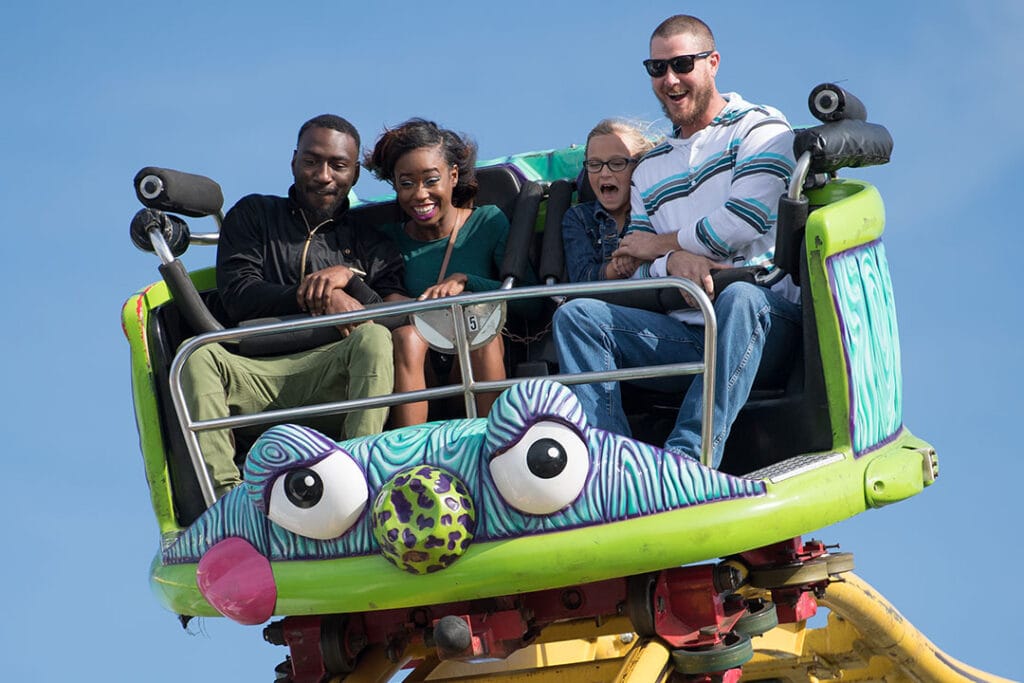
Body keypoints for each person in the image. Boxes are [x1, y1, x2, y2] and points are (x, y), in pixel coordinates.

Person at [553, 15, 802, 468]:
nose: (670, 79)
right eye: (657, 68)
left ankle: (687, 462)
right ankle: (614, 467)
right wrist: (674, 262)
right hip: (687, 329)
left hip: (764, 320)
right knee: (578, 316)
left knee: (742, 298)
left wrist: (663, 245)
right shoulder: (651, 167)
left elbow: (743, 222)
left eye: (682, 64)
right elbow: (636, 257)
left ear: (713, 63)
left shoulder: (762, 129)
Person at [181, 114, 407, 498]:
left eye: (338, 165)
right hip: (256, 373)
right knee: (198, 357)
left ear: (354, 175)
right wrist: (318, 294)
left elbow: (394, 315)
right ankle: (226, 499)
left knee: (373, 339)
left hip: (333, 372)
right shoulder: (254, 214)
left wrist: (348, 279)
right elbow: (238, 295)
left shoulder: (372, 242)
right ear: (293, 162)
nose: (323, 175)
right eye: (311, 161)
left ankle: (357, 479)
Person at [364, 118, 513, 427]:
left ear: (453, 176)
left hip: (473, 360)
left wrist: (465, 281)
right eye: (407, 184)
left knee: (481, 326)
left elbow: (532, 300)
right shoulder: (384, 239)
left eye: (431, 180)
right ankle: (408, 453)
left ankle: (492, 442)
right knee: (407, 336)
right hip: (418, 366)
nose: (420, 195)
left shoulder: (487, 222)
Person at [562, 119, 658, 283]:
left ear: (640, 167)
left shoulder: (658, 209)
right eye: (594, 164)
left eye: (617, 163)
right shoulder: (579, 217)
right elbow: (582, 277)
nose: (604, 173)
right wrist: (625, 264)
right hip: (602, 304)